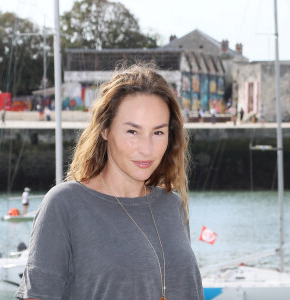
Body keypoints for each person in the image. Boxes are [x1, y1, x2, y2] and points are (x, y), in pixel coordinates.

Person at [15, 63, 204, 300]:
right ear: (105, 129)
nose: (146, 149)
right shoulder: (65, 205)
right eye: (132, 132)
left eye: (158, 132)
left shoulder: (173, 205)